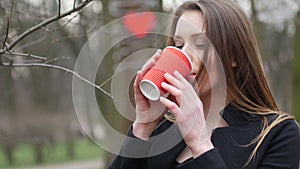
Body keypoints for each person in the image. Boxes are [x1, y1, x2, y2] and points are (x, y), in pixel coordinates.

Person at [108, 0, 300, 168]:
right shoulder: (163, 128)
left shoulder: (277, 134)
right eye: (179, 45)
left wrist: (200, 145)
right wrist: (143, 126)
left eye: (200, 44)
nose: (185, 55)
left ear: (233, 55)